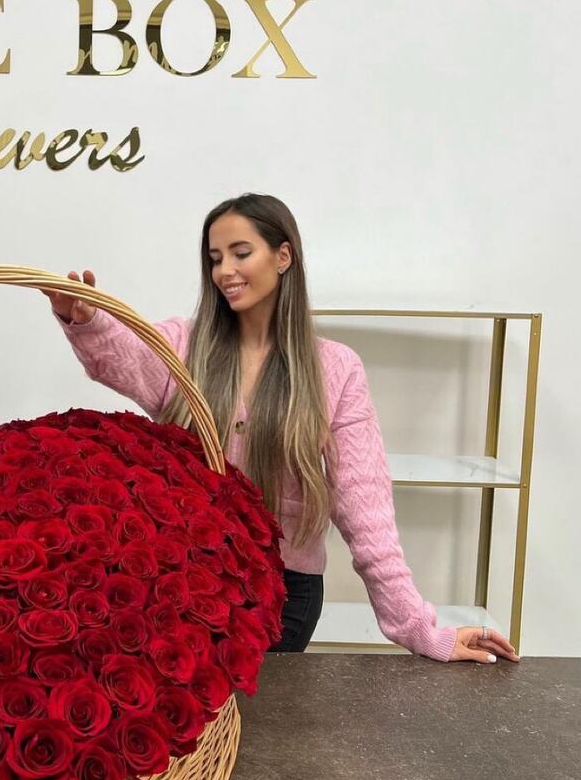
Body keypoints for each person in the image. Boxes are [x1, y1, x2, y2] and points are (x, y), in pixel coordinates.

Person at [44, 193, 520, 665]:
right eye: (215, 259)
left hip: (284, 596)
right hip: (181, 583)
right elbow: (124, 356)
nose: (225, 271)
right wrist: (86, 318)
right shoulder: (184, 344)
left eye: (241, 253)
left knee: (261, 715)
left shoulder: (335, 369)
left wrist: (420, 628)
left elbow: (365, 510)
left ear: (283, 256)